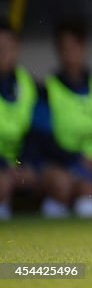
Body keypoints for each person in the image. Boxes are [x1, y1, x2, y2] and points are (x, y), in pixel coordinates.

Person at [36, 19, 92, 219]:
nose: (71, 53)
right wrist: (77, 160)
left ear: (84, 48)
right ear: (58, 51)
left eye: (76, 46)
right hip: (65, 163)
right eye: (66, 47)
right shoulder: (47, 90)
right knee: (70, 184)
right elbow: (41, 139)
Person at [0, 20, 38, 221]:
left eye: (8, 47)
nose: (4, 53)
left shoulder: (26, 83)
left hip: (15, 163)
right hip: (3, 168)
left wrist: (25, 163)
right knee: (2, 182)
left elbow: (33, 132)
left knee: (48, 177)